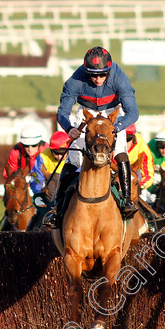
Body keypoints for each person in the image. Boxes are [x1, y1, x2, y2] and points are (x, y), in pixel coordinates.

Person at [42, 46, 140, 229]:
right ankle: (57, 209)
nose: (98, 79)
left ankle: (127, 200)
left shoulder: (119, 76)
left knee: (119, 152)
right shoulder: (75, 80)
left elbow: (133, 112)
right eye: (93, 75)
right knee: (75, 159)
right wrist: (69, 128)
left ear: (109, 70)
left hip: (112, 114)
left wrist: (115, 127)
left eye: (103, 75)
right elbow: (63, 111)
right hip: (86, 114)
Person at [31, 131, 72, 200]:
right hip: (51, 192)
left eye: (62, 153)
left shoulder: (74, 155)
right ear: (51, 149)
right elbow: (36, 180)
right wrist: (40, 196)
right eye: (56, 153)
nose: (59, 156)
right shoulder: (42, 157)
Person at [124, 124, 155, 196]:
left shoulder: (142, 146)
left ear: (133, 138)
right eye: (119, 138)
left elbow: (148, 176)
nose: (123, 143)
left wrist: (139, 186)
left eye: (127, 138)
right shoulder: (108, 143)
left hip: (133, 171)